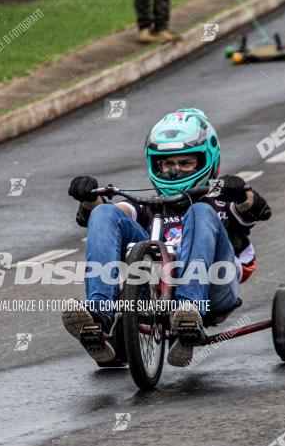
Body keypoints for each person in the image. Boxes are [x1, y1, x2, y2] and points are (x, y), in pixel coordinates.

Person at [63, 108, 272, 366]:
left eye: (185, 163)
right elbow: (110, 214)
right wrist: (89, 199)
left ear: (207, 159)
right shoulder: (149, 206)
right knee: (104, 213)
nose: (175, 172)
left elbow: (257, 209)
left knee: (200, 211)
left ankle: (188, 312)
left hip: (216, 286)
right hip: (151, 291)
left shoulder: (220, 202)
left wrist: (241, 193)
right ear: (155, 164)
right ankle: (99, 316)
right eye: (168, 164)